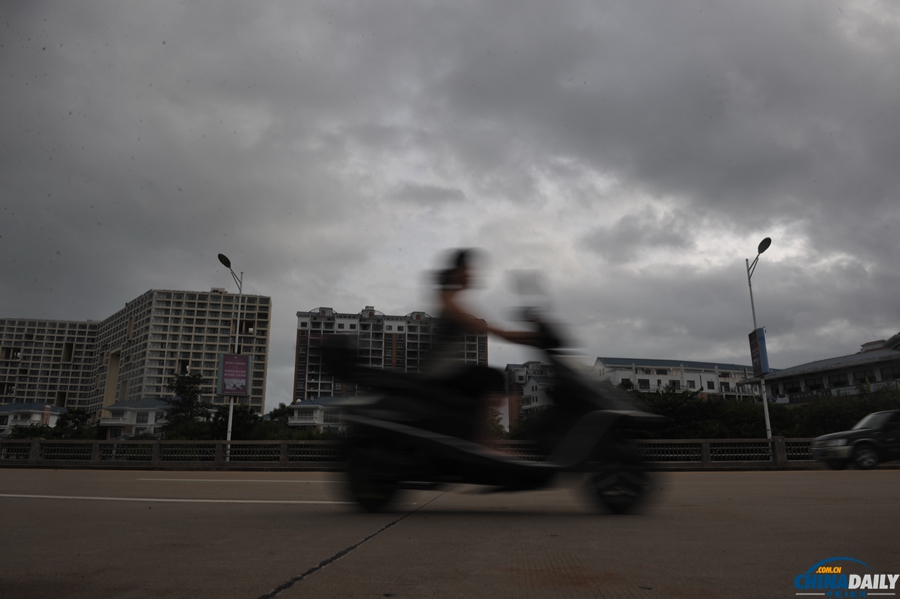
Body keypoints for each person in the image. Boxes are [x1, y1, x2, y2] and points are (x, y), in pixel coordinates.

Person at [421, 248, 537, 440]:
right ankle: (488, 443)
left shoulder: (450, 301)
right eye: (468, 270)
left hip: (442, 371)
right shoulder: (450, 304)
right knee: (493, 378)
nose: (472, 275)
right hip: (439, 372)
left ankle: (478, 439)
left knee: (484, 383)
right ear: (458, 271)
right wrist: (533, 337)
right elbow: (493, 330)